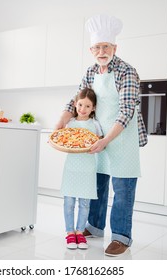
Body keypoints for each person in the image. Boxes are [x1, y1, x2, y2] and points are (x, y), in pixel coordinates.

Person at [56, 14, 145, 257]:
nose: (101, 51)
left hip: (121, 136)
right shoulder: (91, 71)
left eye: (106, 46)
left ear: (115, 48)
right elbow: (75, 101)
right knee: (97, 182)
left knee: (123, 187)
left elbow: (127, 110)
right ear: (91, 49)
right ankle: (94, 226)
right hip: (97, 134)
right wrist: (59, 126)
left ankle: (121, 237)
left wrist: (107, 140)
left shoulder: (126, 71)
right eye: (97, 47)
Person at [60, 88, 103, 250]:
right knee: (69, 202)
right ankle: (70, 232)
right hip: (71, 167)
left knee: (85, 203)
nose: (82, 109)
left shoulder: (95, 125)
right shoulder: (70, 123)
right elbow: (63, 141)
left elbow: (100, 144)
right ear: (75, 104)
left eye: (87, 106)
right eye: (80, 105)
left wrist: (98, 147)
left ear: (93, 108)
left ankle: (79, 232)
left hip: (88, 168)